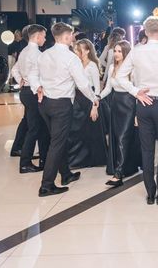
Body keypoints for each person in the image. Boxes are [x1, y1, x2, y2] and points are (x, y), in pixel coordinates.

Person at [117, 16, 158, 205]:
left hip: (143, 104)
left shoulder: (136, 52)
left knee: (146, 150)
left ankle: (150, 194)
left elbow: (120, 77)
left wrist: (136, 92)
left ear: (145, 32)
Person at [29, 22, 99, 197]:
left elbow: (32, 74)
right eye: (72, 36)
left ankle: (66, 174)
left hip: (45, 104)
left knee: (56, 140)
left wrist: (37, 87)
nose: (73, 38)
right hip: (61, 105)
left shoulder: (44, 55)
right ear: (67, 37)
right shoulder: (71, 58)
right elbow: (82, 83)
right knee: (57, 143)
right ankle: (46, 185)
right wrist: (93, 99)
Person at [100, 40, 141, 186]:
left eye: (120, 51)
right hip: (116, 104)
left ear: (126, 53)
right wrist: (97, 97)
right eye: (115, 51)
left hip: (129, 104)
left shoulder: (133, 70)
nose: (116, 54)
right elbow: (108, 89)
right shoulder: (112, 67)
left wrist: (137, 113)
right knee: (117, 138)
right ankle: (127, 167)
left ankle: (118, 174)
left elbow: (138, 91)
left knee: (123, 137)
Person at [11, 24, 49, 173]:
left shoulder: (24, 51)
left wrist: (20, 79)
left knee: (37, 126)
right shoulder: (37, 54)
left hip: (26, 91)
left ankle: (42, 159)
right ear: (37, 36)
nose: (45, 39)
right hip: (33, 93)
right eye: (44, 36)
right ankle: (25, 163)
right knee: (34, 129)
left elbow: (14, 69)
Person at [68, 39, 107, 169]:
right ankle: (78, 160)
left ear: (87, 51)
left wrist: (95, 106)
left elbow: (97, 88)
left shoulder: (92, 66)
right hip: (78, 99)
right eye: (75, 49)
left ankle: (93, 159)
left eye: (78, 49)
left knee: (91, 131)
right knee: (77, 130)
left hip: (90, 100)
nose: (76, 51)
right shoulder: (76, 64)